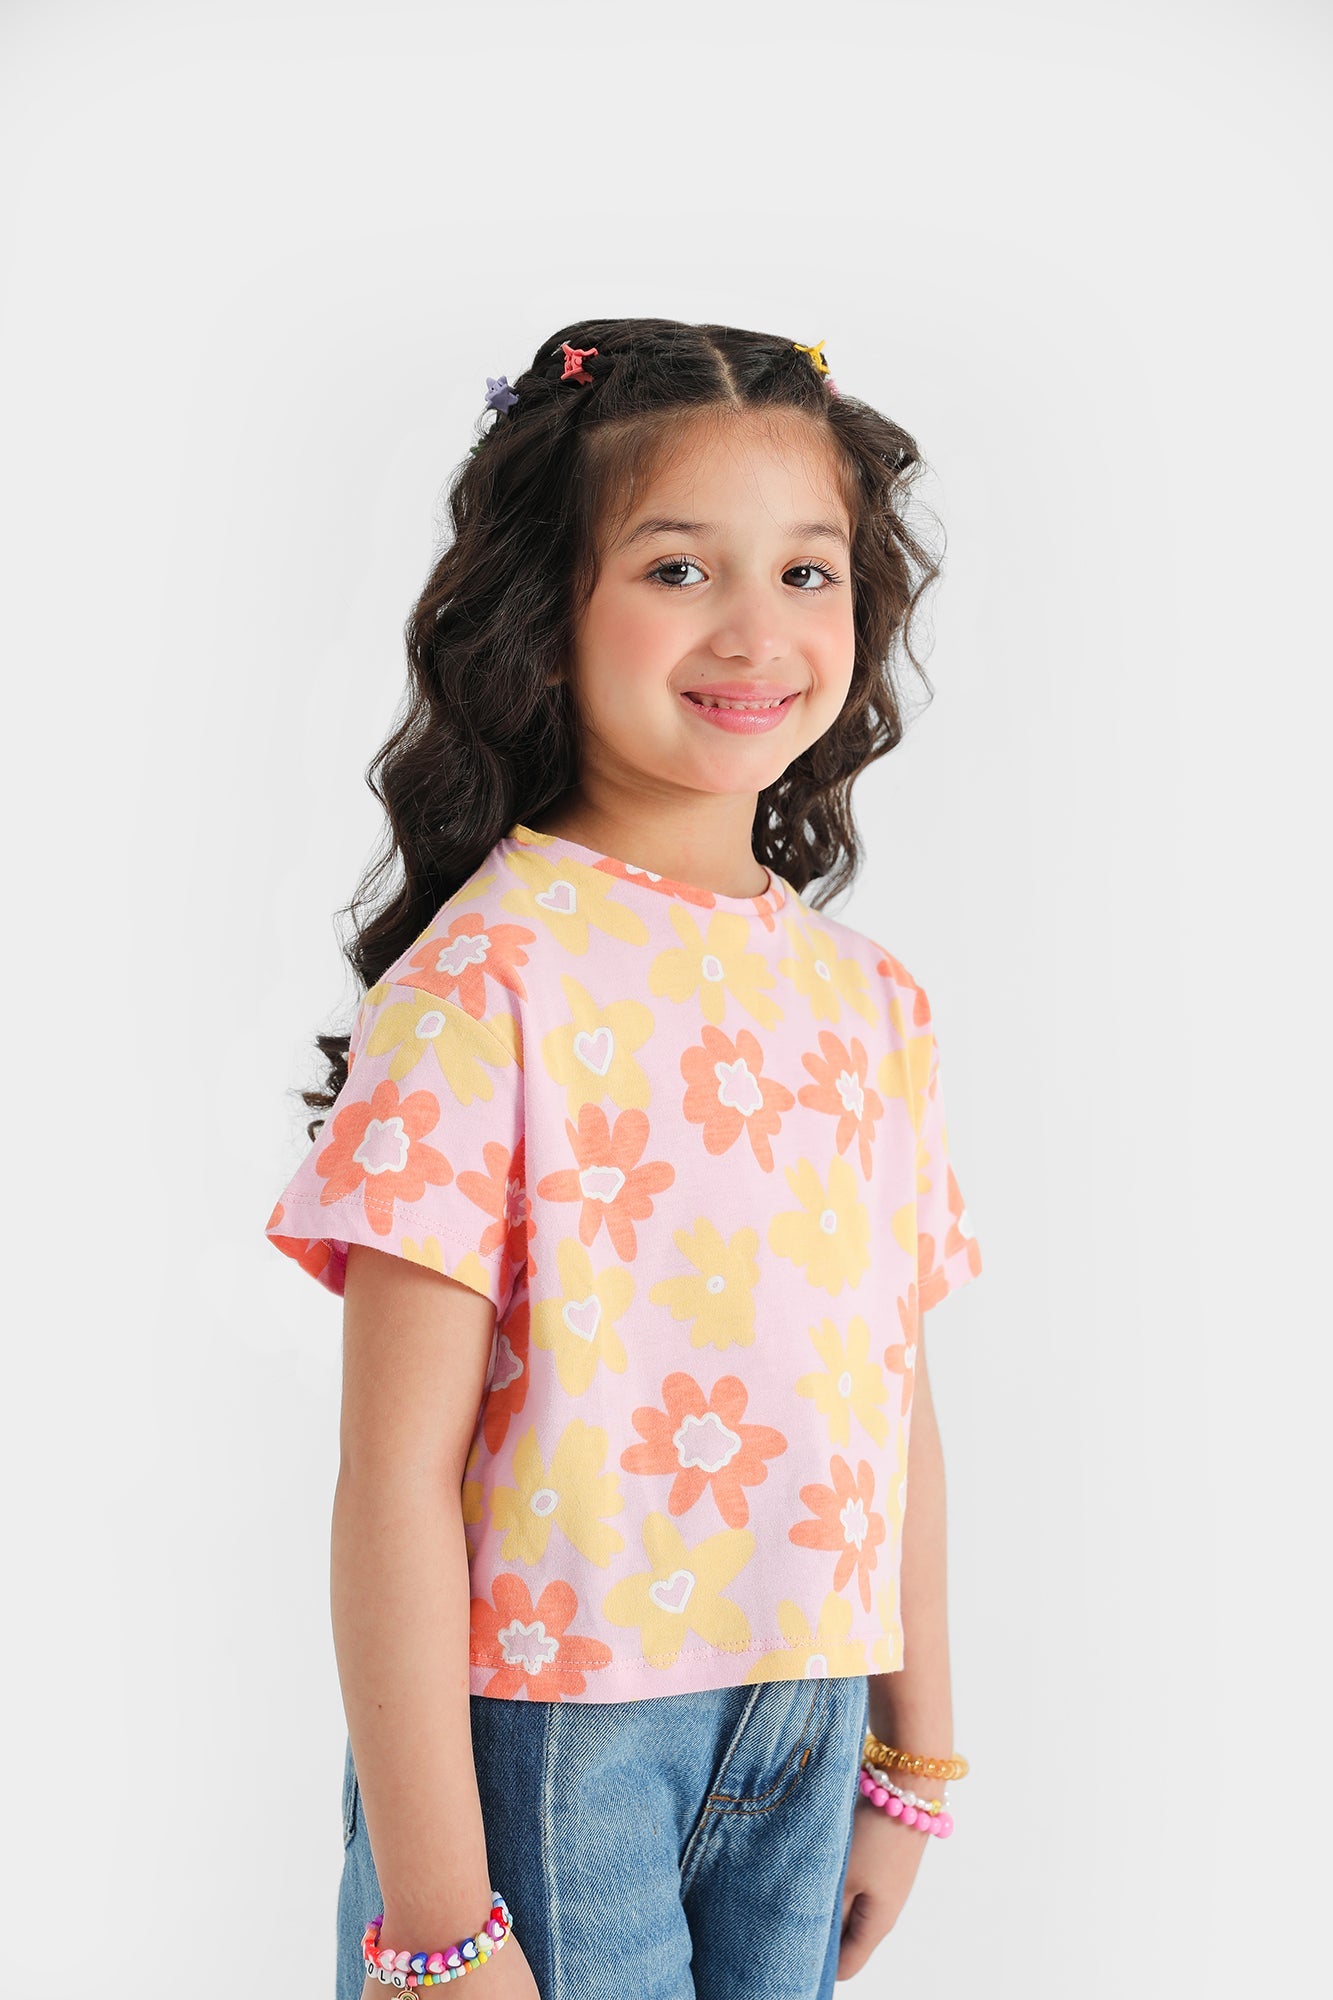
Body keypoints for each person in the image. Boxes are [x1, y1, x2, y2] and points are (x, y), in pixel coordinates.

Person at [263, 317, 984, 2000]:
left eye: (806, 572)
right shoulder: (486, 983)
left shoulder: (868, 1000)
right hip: (555, 1741)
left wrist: (911, 1759)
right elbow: (392, 1484)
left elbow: (892, 1400)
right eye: (677, 568)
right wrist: (437, 1920)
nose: (754, 630)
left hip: (808, 1716)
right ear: (545, 611)